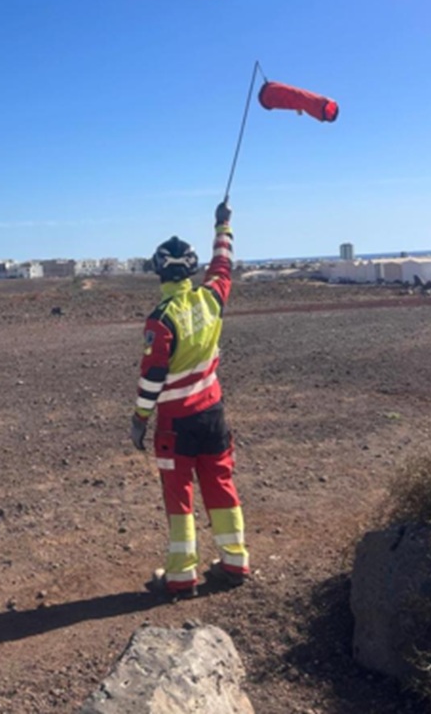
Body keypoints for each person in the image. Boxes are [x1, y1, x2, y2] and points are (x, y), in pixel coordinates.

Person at [130, 200, 249, 599]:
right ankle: (234, 561)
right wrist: (223, 227)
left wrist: (140, 418)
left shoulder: (161, 319)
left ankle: (181, 576)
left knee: (179, 494)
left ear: (159, 270)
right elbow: (223, 265)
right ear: (192, 269)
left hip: (175, 425)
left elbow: (153, 376)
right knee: (220, 484)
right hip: (213, 415)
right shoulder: (212, 297)